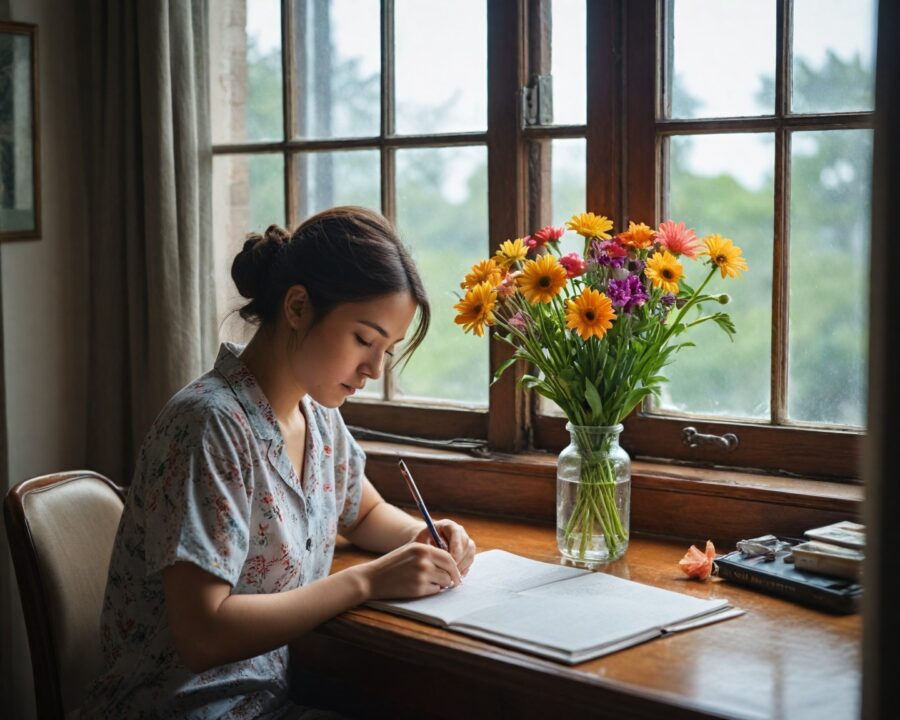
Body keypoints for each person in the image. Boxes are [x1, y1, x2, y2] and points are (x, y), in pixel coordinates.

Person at [81, 207, 477, 719]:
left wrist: (423, 538)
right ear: (296, 306)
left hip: (265, 702)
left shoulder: (317, 413)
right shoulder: (209, 423)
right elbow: (202, 635)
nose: (374, 370)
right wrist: (368, 581)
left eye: (388, 350)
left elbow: (360, 512)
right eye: (364, 339)